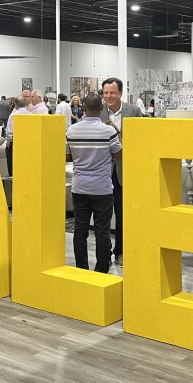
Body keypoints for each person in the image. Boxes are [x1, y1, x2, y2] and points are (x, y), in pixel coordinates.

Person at [67, 93, 122, 274]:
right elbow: (119, 155)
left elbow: (68, 155)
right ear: (101, 108)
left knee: (80, 230)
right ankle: (101, 271)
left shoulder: (72, 130)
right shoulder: (108, 131)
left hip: (79, 186)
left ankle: (81, 269)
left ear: (83, 107)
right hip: (102, 188)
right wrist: (116, 130)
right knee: (102, 231)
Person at [99, 77, 144, 268]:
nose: (108, 96)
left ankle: (120, 251)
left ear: (120, 94)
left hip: (124, 170)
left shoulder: (133, 111)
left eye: (112, 93)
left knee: (122, 213)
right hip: (102, 171)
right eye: (106, 93)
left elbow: (141, 138)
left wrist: (118, 134)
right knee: (102, 216)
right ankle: (104, 255)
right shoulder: (96, 112)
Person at [5, 96, 33, 175]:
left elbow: (9, 130)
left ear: (15, 104)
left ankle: (13, 175)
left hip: (16, 141)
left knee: (13, 160)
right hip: (27, 141)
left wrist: (8, 141)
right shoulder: (31, 115)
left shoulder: (13, 115)